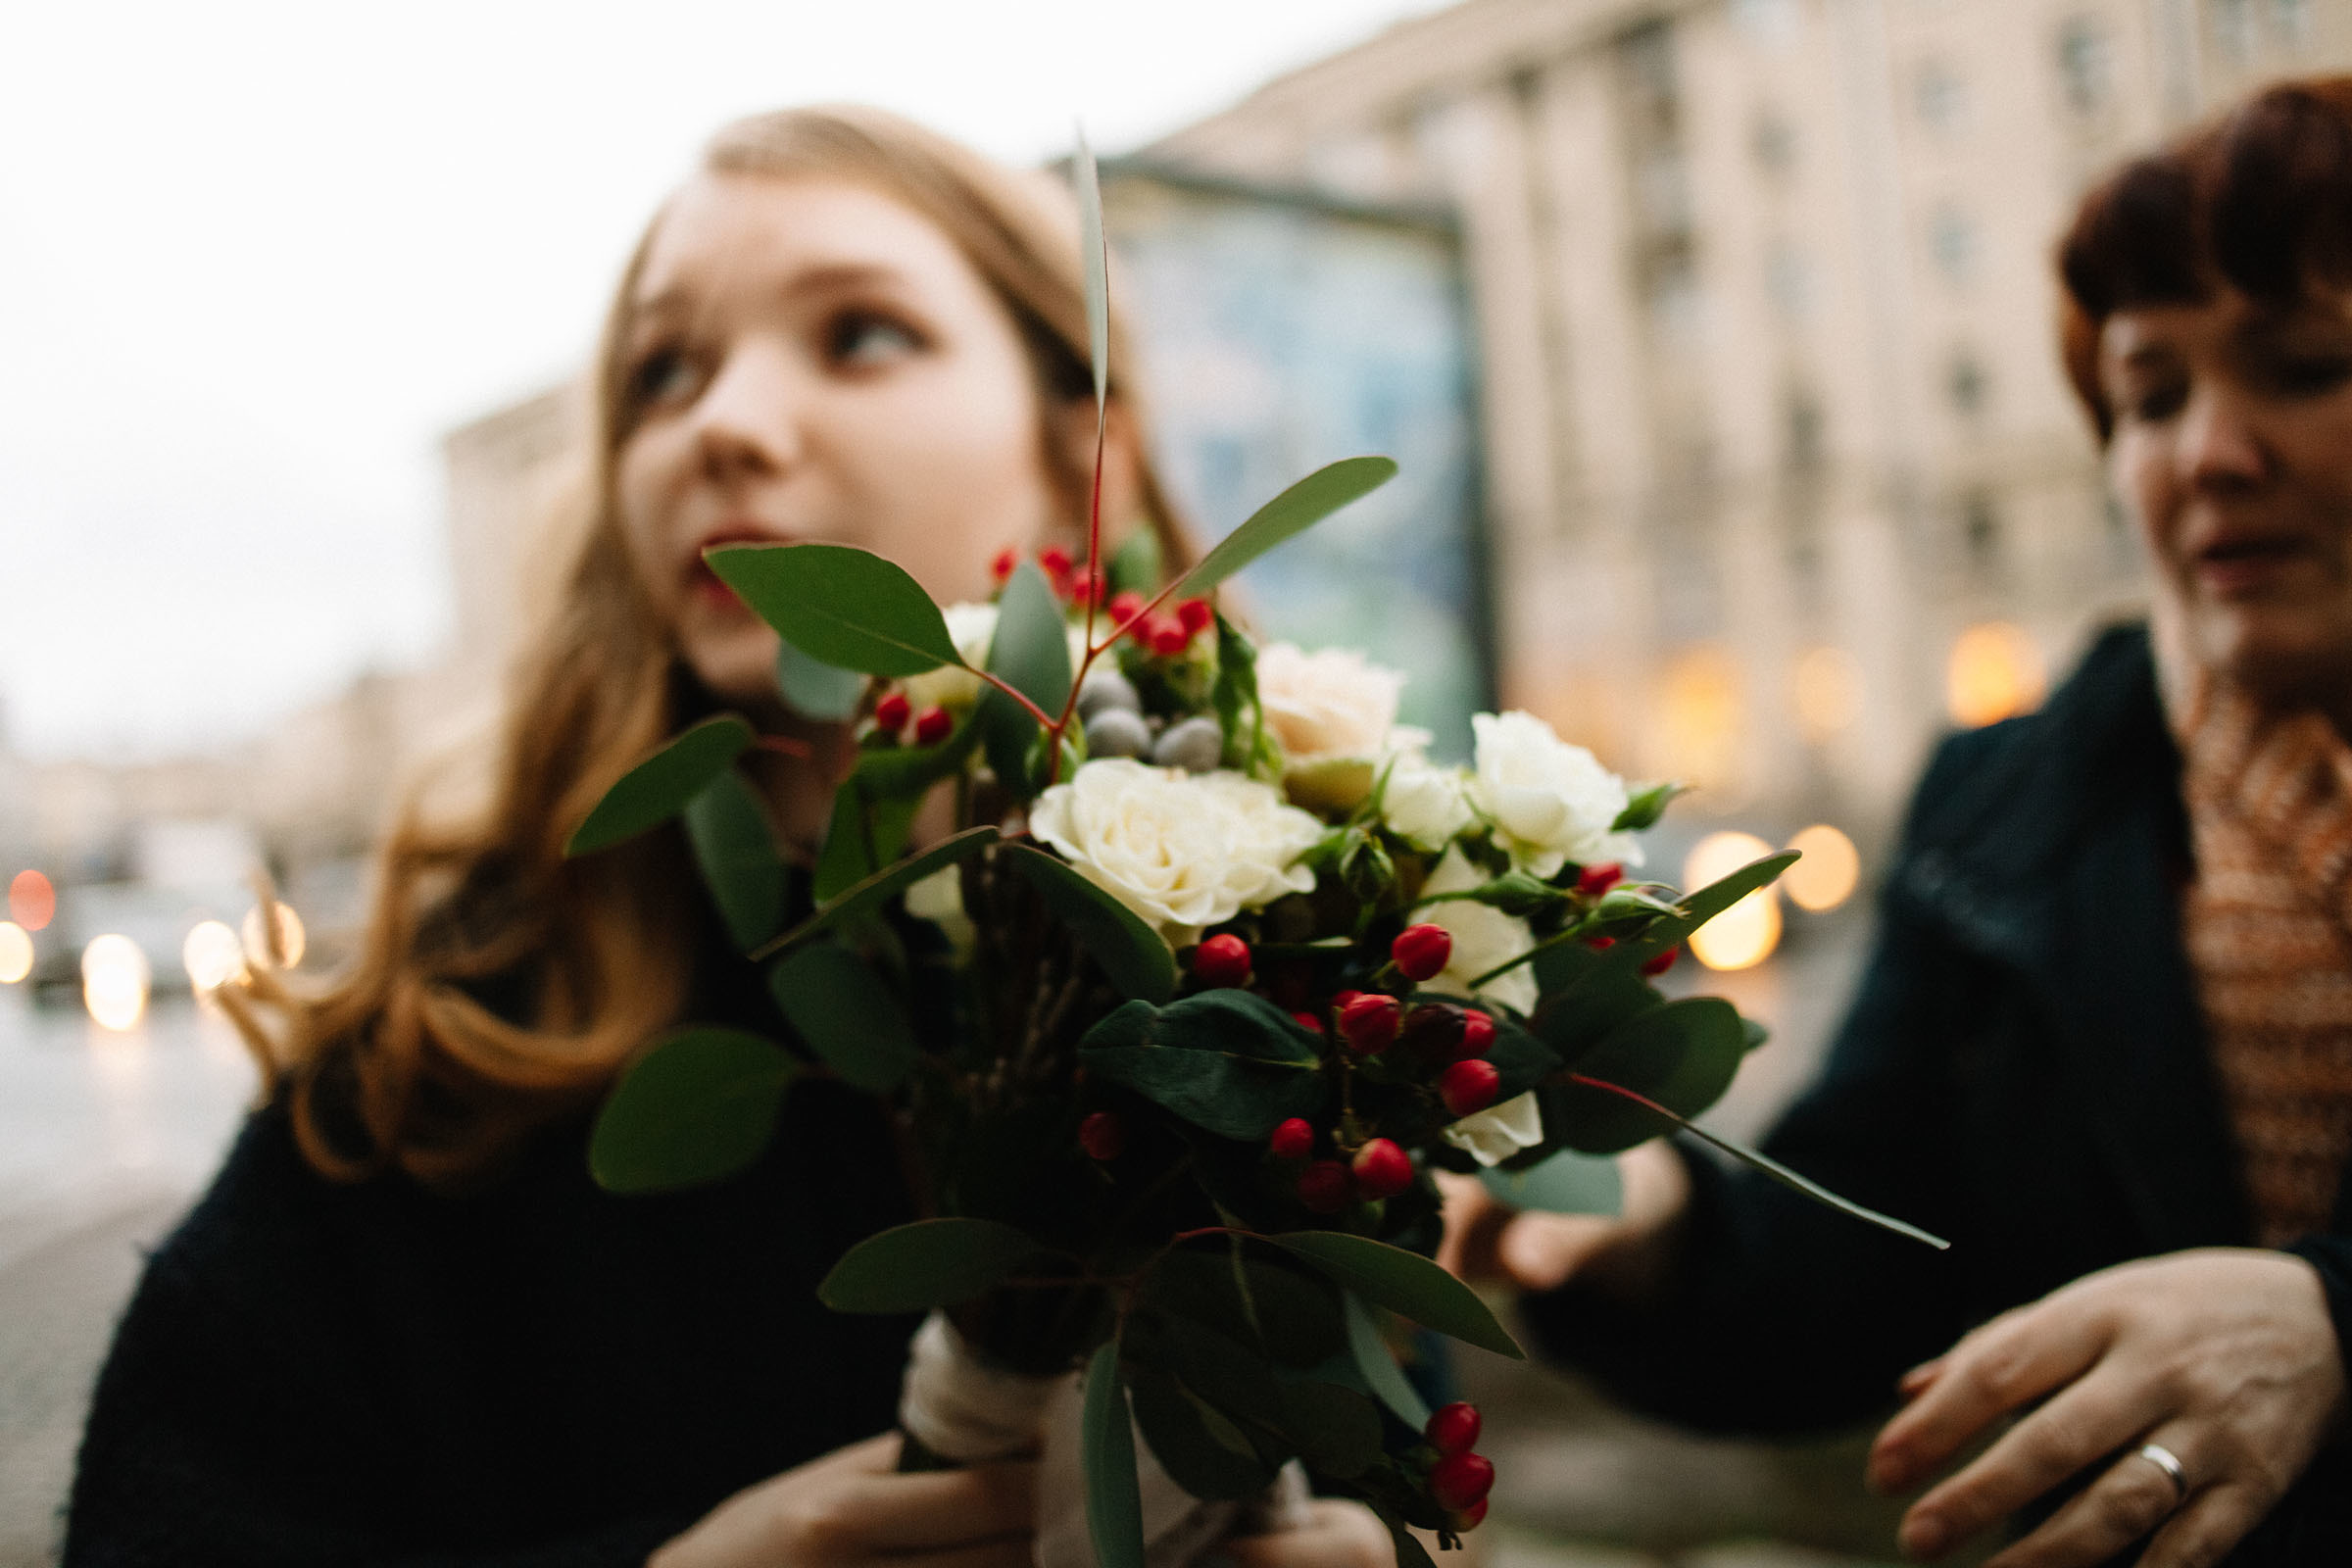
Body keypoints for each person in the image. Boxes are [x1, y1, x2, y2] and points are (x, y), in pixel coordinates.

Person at [64, 106, 1395, 1568]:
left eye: (860, 334)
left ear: (1088, 450)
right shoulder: (446, 1065)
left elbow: (1400, 1450)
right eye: (663, 371)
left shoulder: (1290, 999)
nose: (722, 426)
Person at [1443, 77, 2352, 1568]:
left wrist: (2333, 1323)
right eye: (2149, 397)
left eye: (2305, 367)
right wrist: (1644, 1219)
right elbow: (1855, 1267)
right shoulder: (2014, 806)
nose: (2208, 454)